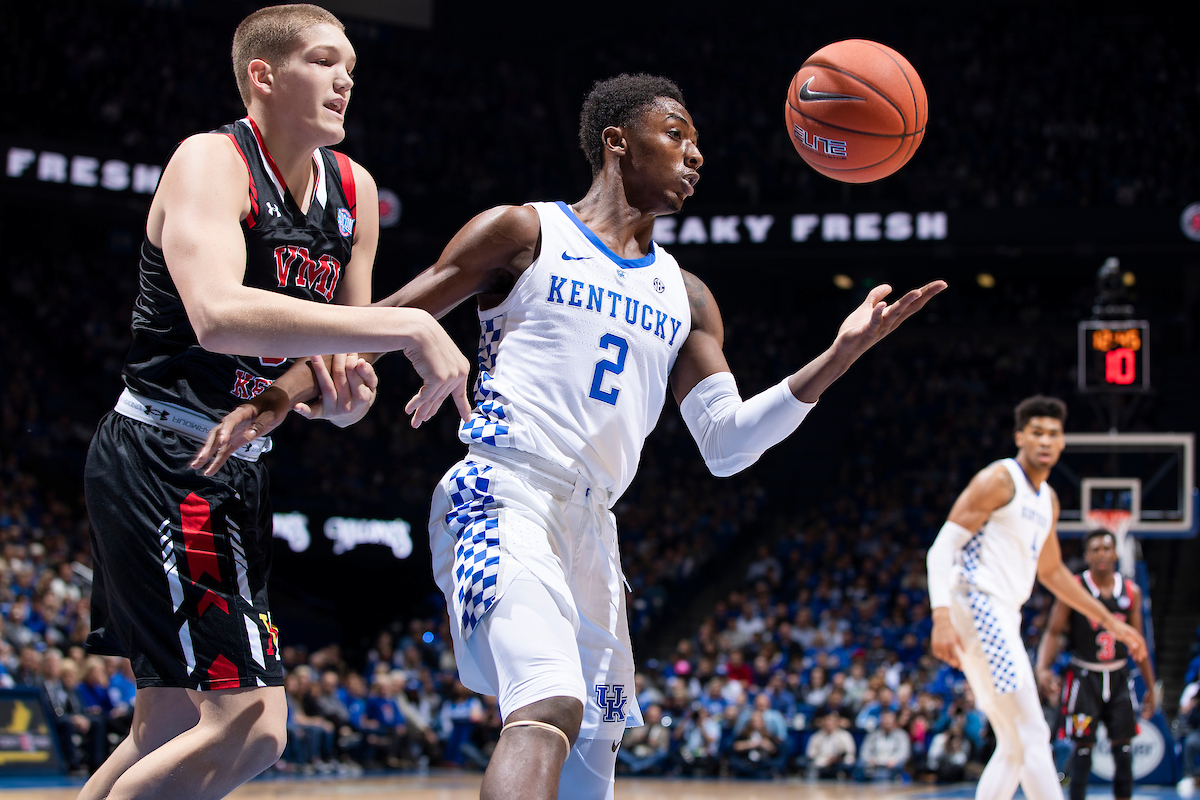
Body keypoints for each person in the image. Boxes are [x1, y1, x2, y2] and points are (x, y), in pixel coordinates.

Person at [198, 73, 944, 799]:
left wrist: (838, 357)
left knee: (595, 749)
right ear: (617, 142)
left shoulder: (687, 296)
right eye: (677, 135)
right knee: (548, 702)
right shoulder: (525, 230)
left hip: (594, 534)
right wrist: (271, 399)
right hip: (503, 494)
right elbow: (388, 317)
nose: (696, 155)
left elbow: (727, 443)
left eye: (698, 144)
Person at [79, 6, 470, 800]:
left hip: (240, 466)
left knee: (168, 729)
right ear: (263, 75)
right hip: (164, 454)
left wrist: (340, 396)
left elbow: (346, 362)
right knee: (254, 728)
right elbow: (218, 316)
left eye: (350, 66)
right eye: (325, 61)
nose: (345, 79)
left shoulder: (353, 189)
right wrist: (407, 325)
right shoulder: (209, 162)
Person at [926, 395, 1148, 800]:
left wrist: (1112, 621)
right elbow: (942, 548)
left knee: (1014, 743)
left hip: (1004, 612)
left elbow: (1053, 573)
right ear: (1020, 437)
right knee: (1032, 730)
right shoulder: (1000, 479)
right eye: (1037, 432)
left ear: (1063, 442)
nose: (1046, 440)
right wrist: (941, 615)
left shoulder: (1048, 500)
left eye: (1053, 434)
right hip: (978, 601)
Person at [1034, 527, 1156, 800]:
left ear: (1115, 553)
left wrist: (1150, 686)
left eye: (1106, 548)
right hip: (1084, 677)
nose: (1101, 554)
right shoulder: (1075, 588)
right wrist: (1043, 668)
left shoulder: (1130, 591)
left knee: (1123, 752)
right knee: (1083, 751)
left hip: (1119, 677)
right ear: (1087, 555)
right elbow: (1053, 631)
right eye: (1095, 549)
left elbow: (1139, 643)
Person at [1177, 679, 1199, 796]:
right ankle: (1188, 776)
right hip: (1198, 730)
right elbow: (1186, 714)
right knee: (1190, 742)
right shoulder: (1193, 689)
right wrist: (1194, 703)